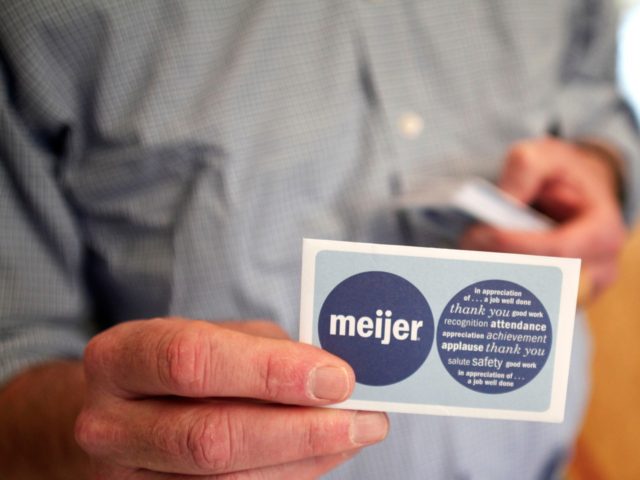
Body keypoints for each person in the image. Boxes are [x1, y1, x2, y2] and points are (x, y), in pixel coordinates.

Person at [0, 1, 638, 479]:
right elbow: (14, 355)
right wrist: (113, 435)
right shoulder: (34, 20)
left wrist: (600, 164)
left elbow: (595, 96)